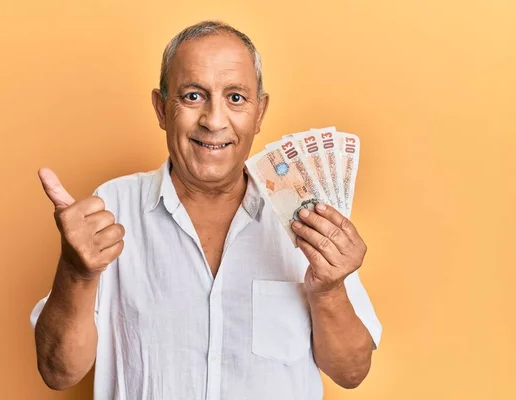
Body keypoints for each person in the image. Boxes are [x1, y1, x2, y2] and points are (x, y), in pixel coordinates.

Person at [30, 20, 382, 400]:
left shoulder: (308, 218)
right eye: (193, 96)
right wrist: (76, 273)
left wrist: (328, 291)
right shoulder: (111, 209)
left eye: (235, 98)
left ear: (259, 112)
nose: (214, 121)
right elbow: (58, 372)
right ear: (162, 109)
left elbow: (350, 373)